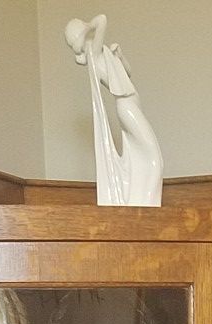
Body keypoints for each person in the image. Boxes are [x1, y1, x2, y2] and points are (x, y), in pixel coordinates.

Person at [65, 15, 163, 206]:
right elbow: (102, 20)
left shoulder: (101, 53)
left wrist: (119, 56)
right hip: (126, 107)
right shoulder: (94, 53)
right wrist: (86, 27)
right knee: (155, 160)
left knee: (142, 160)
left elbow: (127, 73)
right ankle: (150, 210)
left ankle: (142, 204)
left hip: (132, 105)